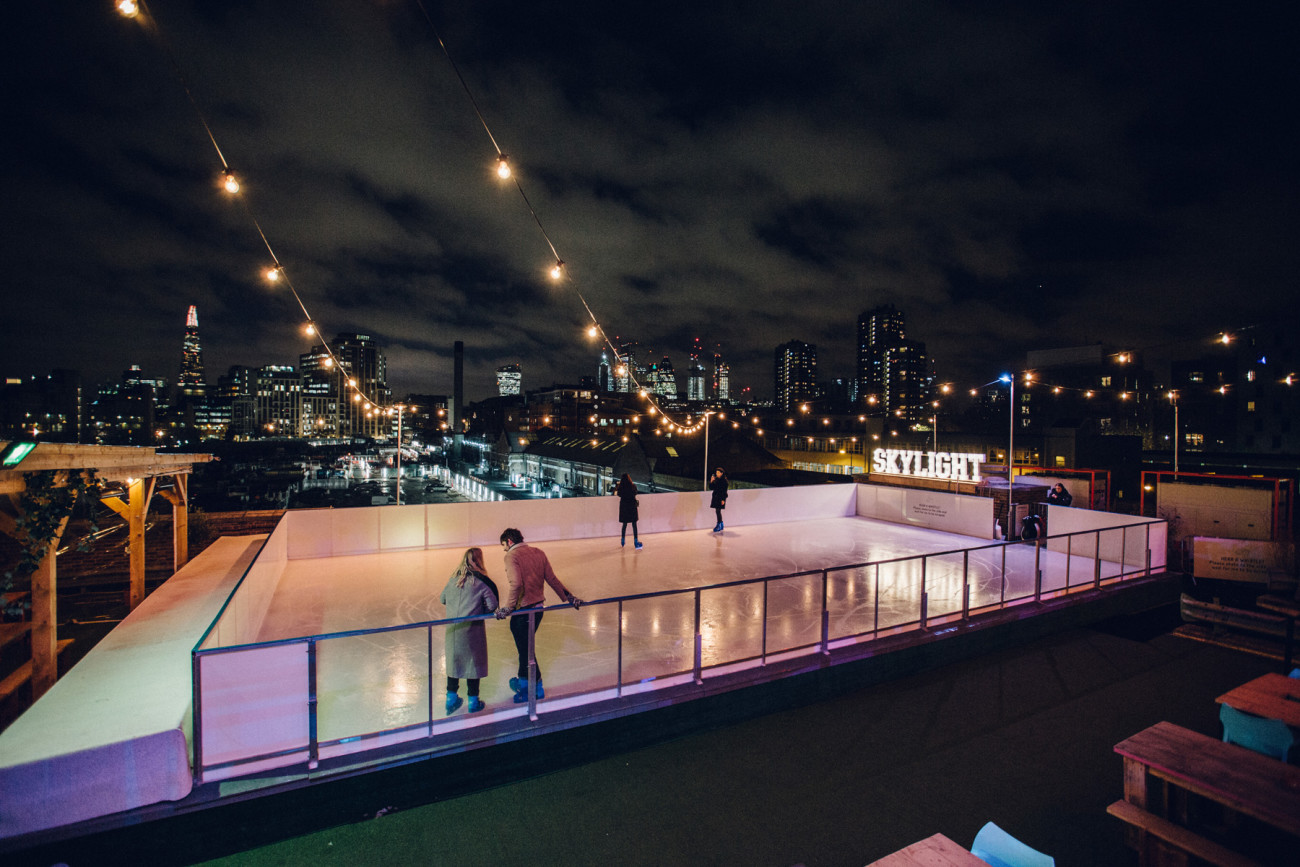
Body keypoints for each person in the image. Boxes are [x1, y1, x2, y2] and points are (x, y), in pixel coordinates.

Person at [495, 528, 584, 703]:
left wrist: (508, 608)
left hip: (523, 612)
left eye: (504, 546)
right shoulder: (538, 552)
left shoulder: (511, 556)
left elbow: (516, 584)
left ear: (509, 541)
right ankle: (528, 685)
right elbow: (552, 579)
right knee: (526, 650)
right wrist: (569, 597)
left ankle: (533, 688)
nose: (504, 549)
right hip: (538, 610)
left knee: (525, 652)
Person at [439, 547, 498, 715]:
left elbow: (442, 599)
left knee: (454, 662)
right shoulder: (479, 582)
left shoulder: (453, 580)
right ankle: (473, 701)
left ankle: (451, 699)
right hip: (472, 631)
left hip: (452, 630)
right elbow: (493, 605)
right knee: (473, 665)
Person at [615, 473, 642, 549]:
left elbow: (618, 494)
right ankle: (636, 541)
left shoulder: (621, 488)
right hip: (632, 507)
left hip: (624, 508)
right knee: (634, 525)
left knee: (624, 525)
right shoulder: (633, 486)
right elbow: (635, 492)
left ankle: (623, 540)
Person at [708, 467, 728, 533]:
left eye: (718, 473)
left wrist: (723, 499)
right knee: (717, 511)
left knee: (718, 511)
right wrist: (711, 481)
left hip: (720, 498)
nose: (717, 474)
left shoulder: (724, 481)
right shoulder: (716, 479)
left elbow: (724, 491)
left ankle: (719, 525)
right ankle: (721, 524)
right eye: (716, 473)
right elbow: (711, 487)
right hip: (716, 497)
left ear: (722, 473)